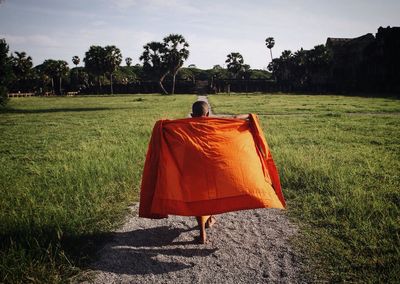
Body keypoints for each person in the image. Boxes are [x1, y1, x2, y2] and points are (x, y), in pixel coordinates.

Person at [190, 100, 249, 243]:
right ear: (208, 114)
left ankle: (202, 232)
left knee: (198, 198)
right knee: (211, 194)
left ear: (192, 115)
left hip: (194, 168)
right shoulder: (214, 124)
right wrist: (250, 115)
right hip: (212, 167)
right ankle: (210, 219)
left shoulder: (186, 126)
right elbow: (235, 119)